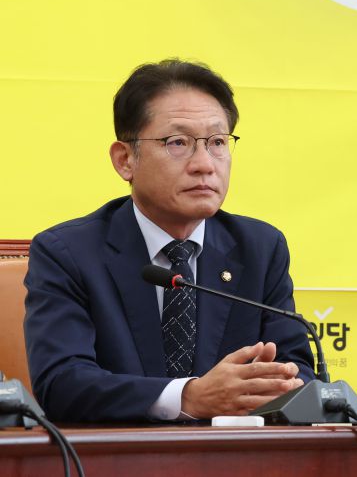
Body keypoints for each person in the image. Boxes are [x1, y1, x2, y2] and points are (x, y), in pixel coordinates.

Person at [24, 59, 315, 422]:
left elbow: (299, 374)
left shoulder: (260, 248)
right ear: (125, 160)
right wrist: (188, 397)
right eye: (178, 142)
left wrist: (279, 384)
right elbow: (62, 384)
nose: (205, 164)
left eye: (217, 142)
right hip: (118, 453)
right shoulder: (68, 253)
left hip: (234, 451)